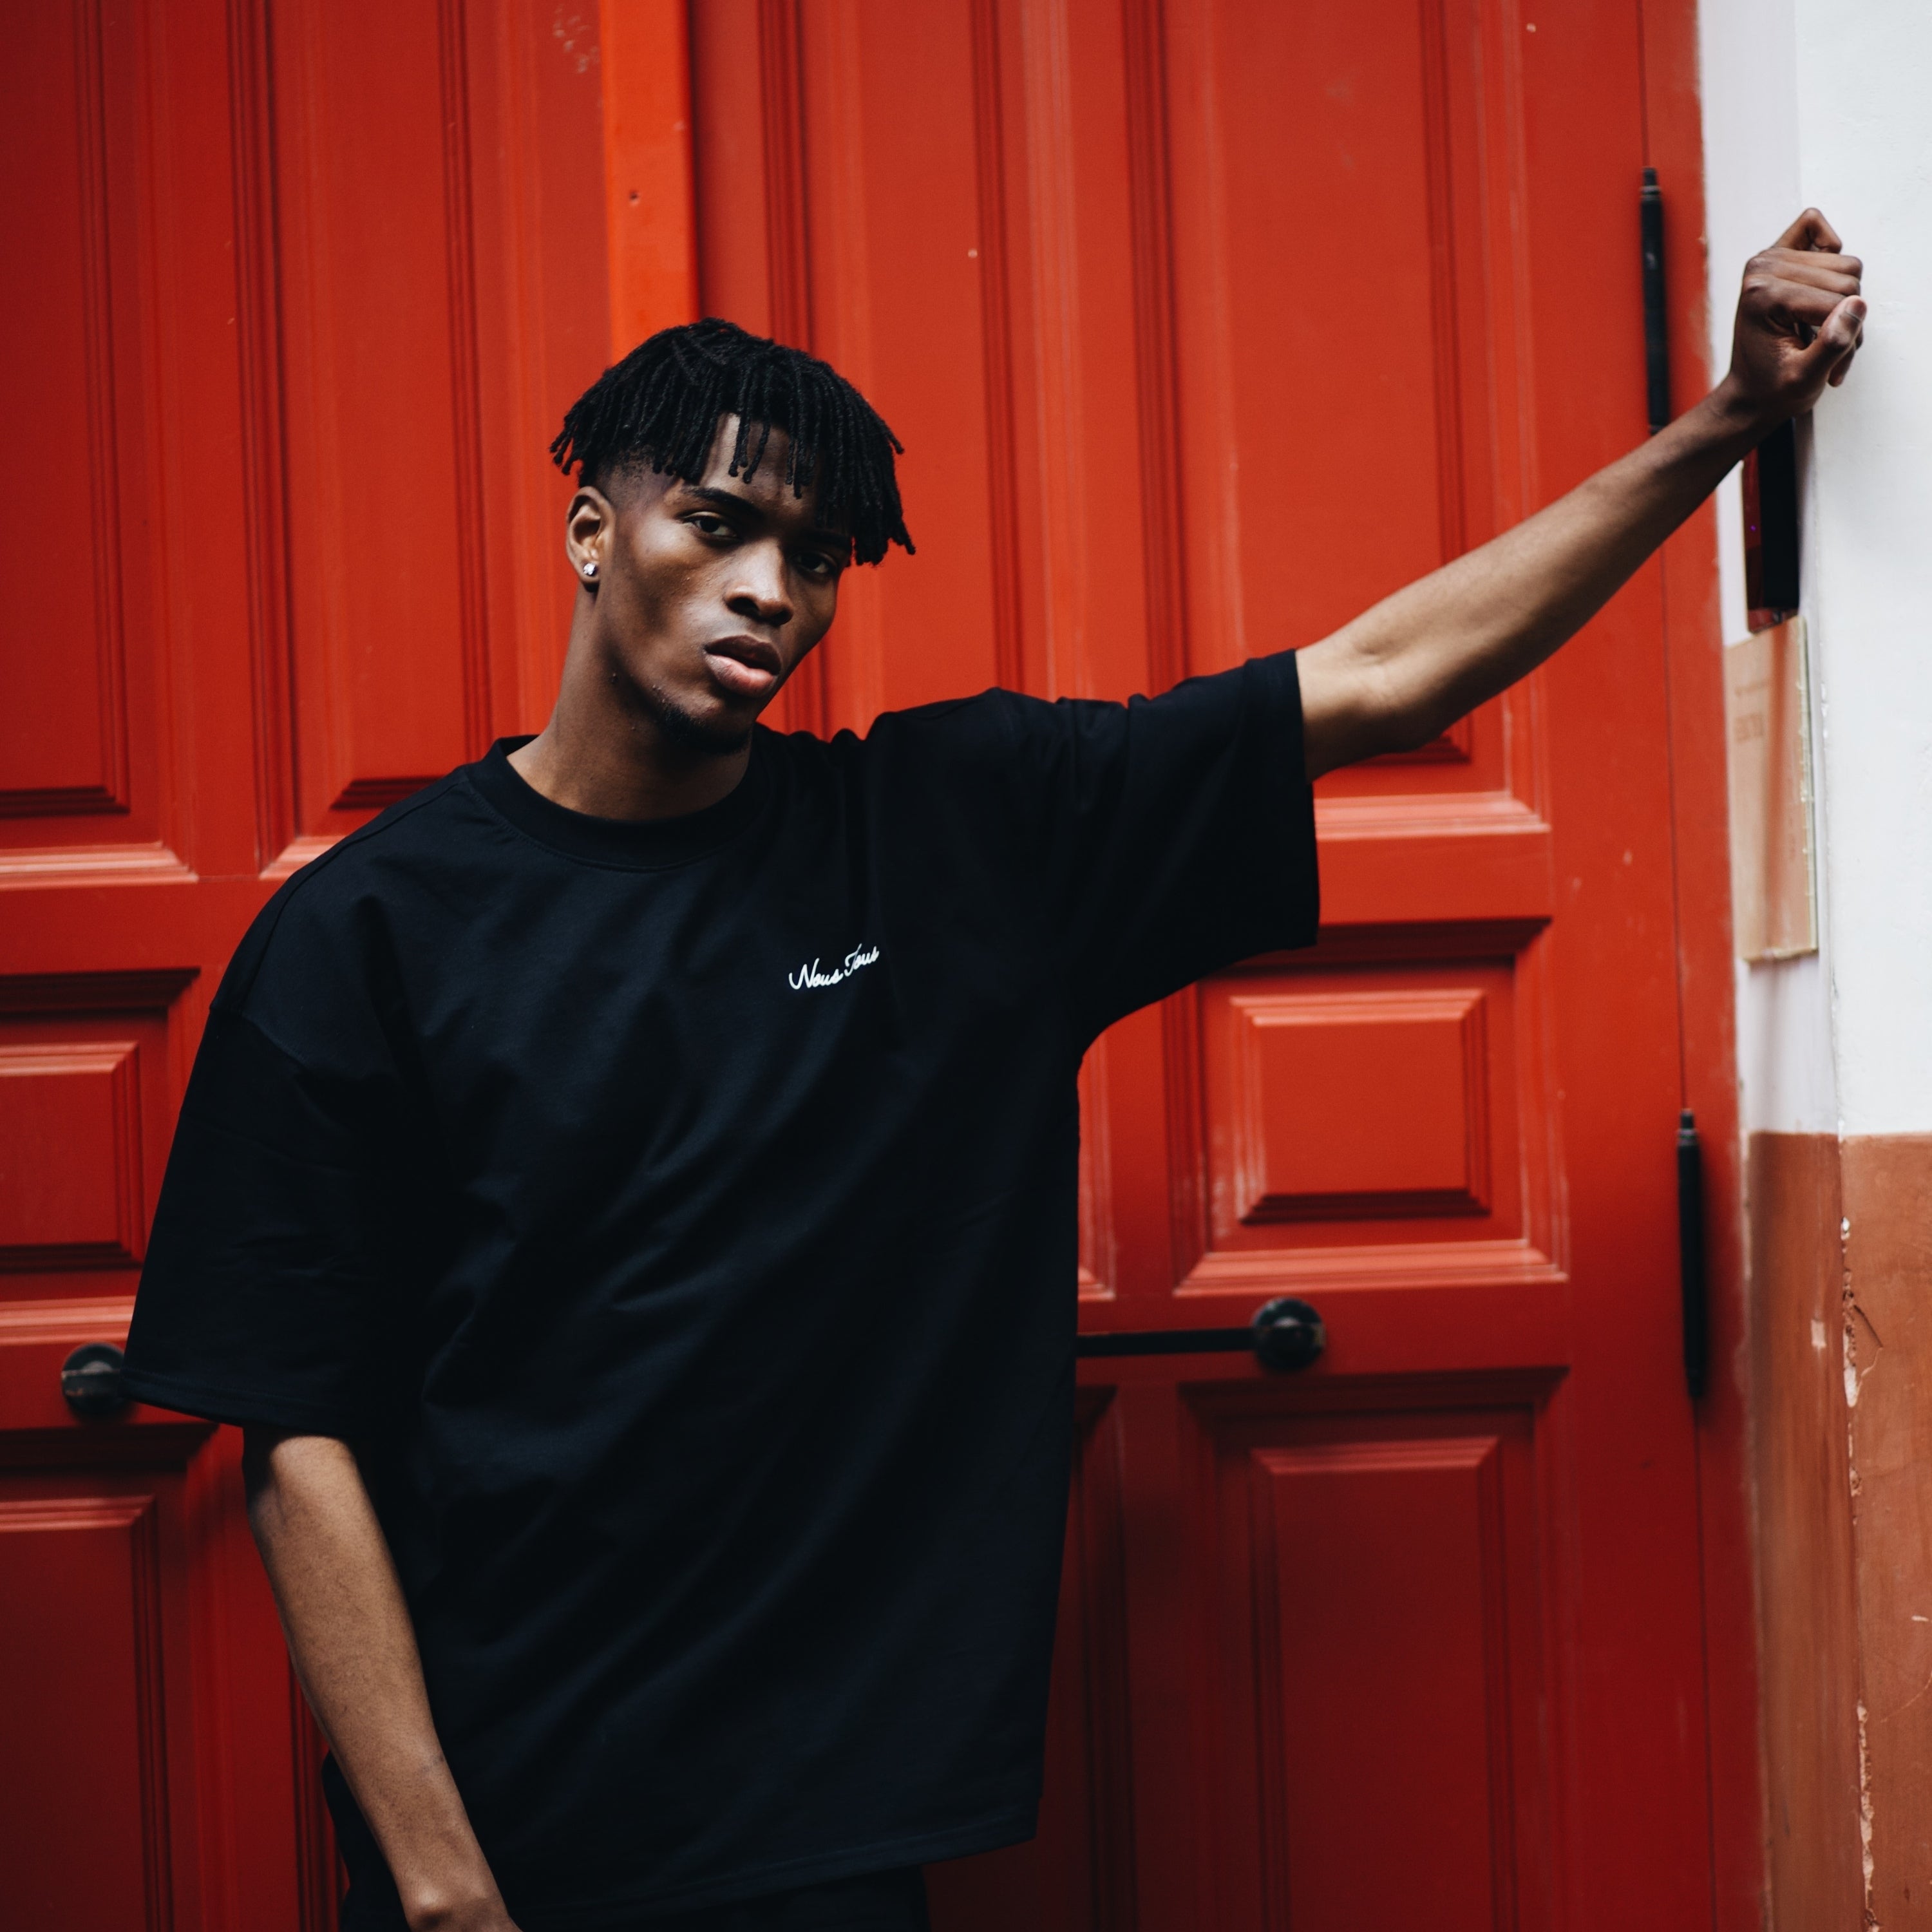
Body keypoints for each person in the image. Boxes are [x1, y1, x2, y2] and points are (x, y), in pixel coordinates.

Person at [122, 211, 1864, 1932]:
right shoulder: (368, 935)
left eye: (815, 556)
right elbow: (298, 1428)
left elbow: (1383, 678)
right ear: (593, 531)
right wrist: (440, 1887)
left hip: (813, 1844)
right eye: (717, 525)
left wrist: (1727, 419)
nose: (769, 590)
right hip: (495, 1841)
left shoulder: (956, 838)